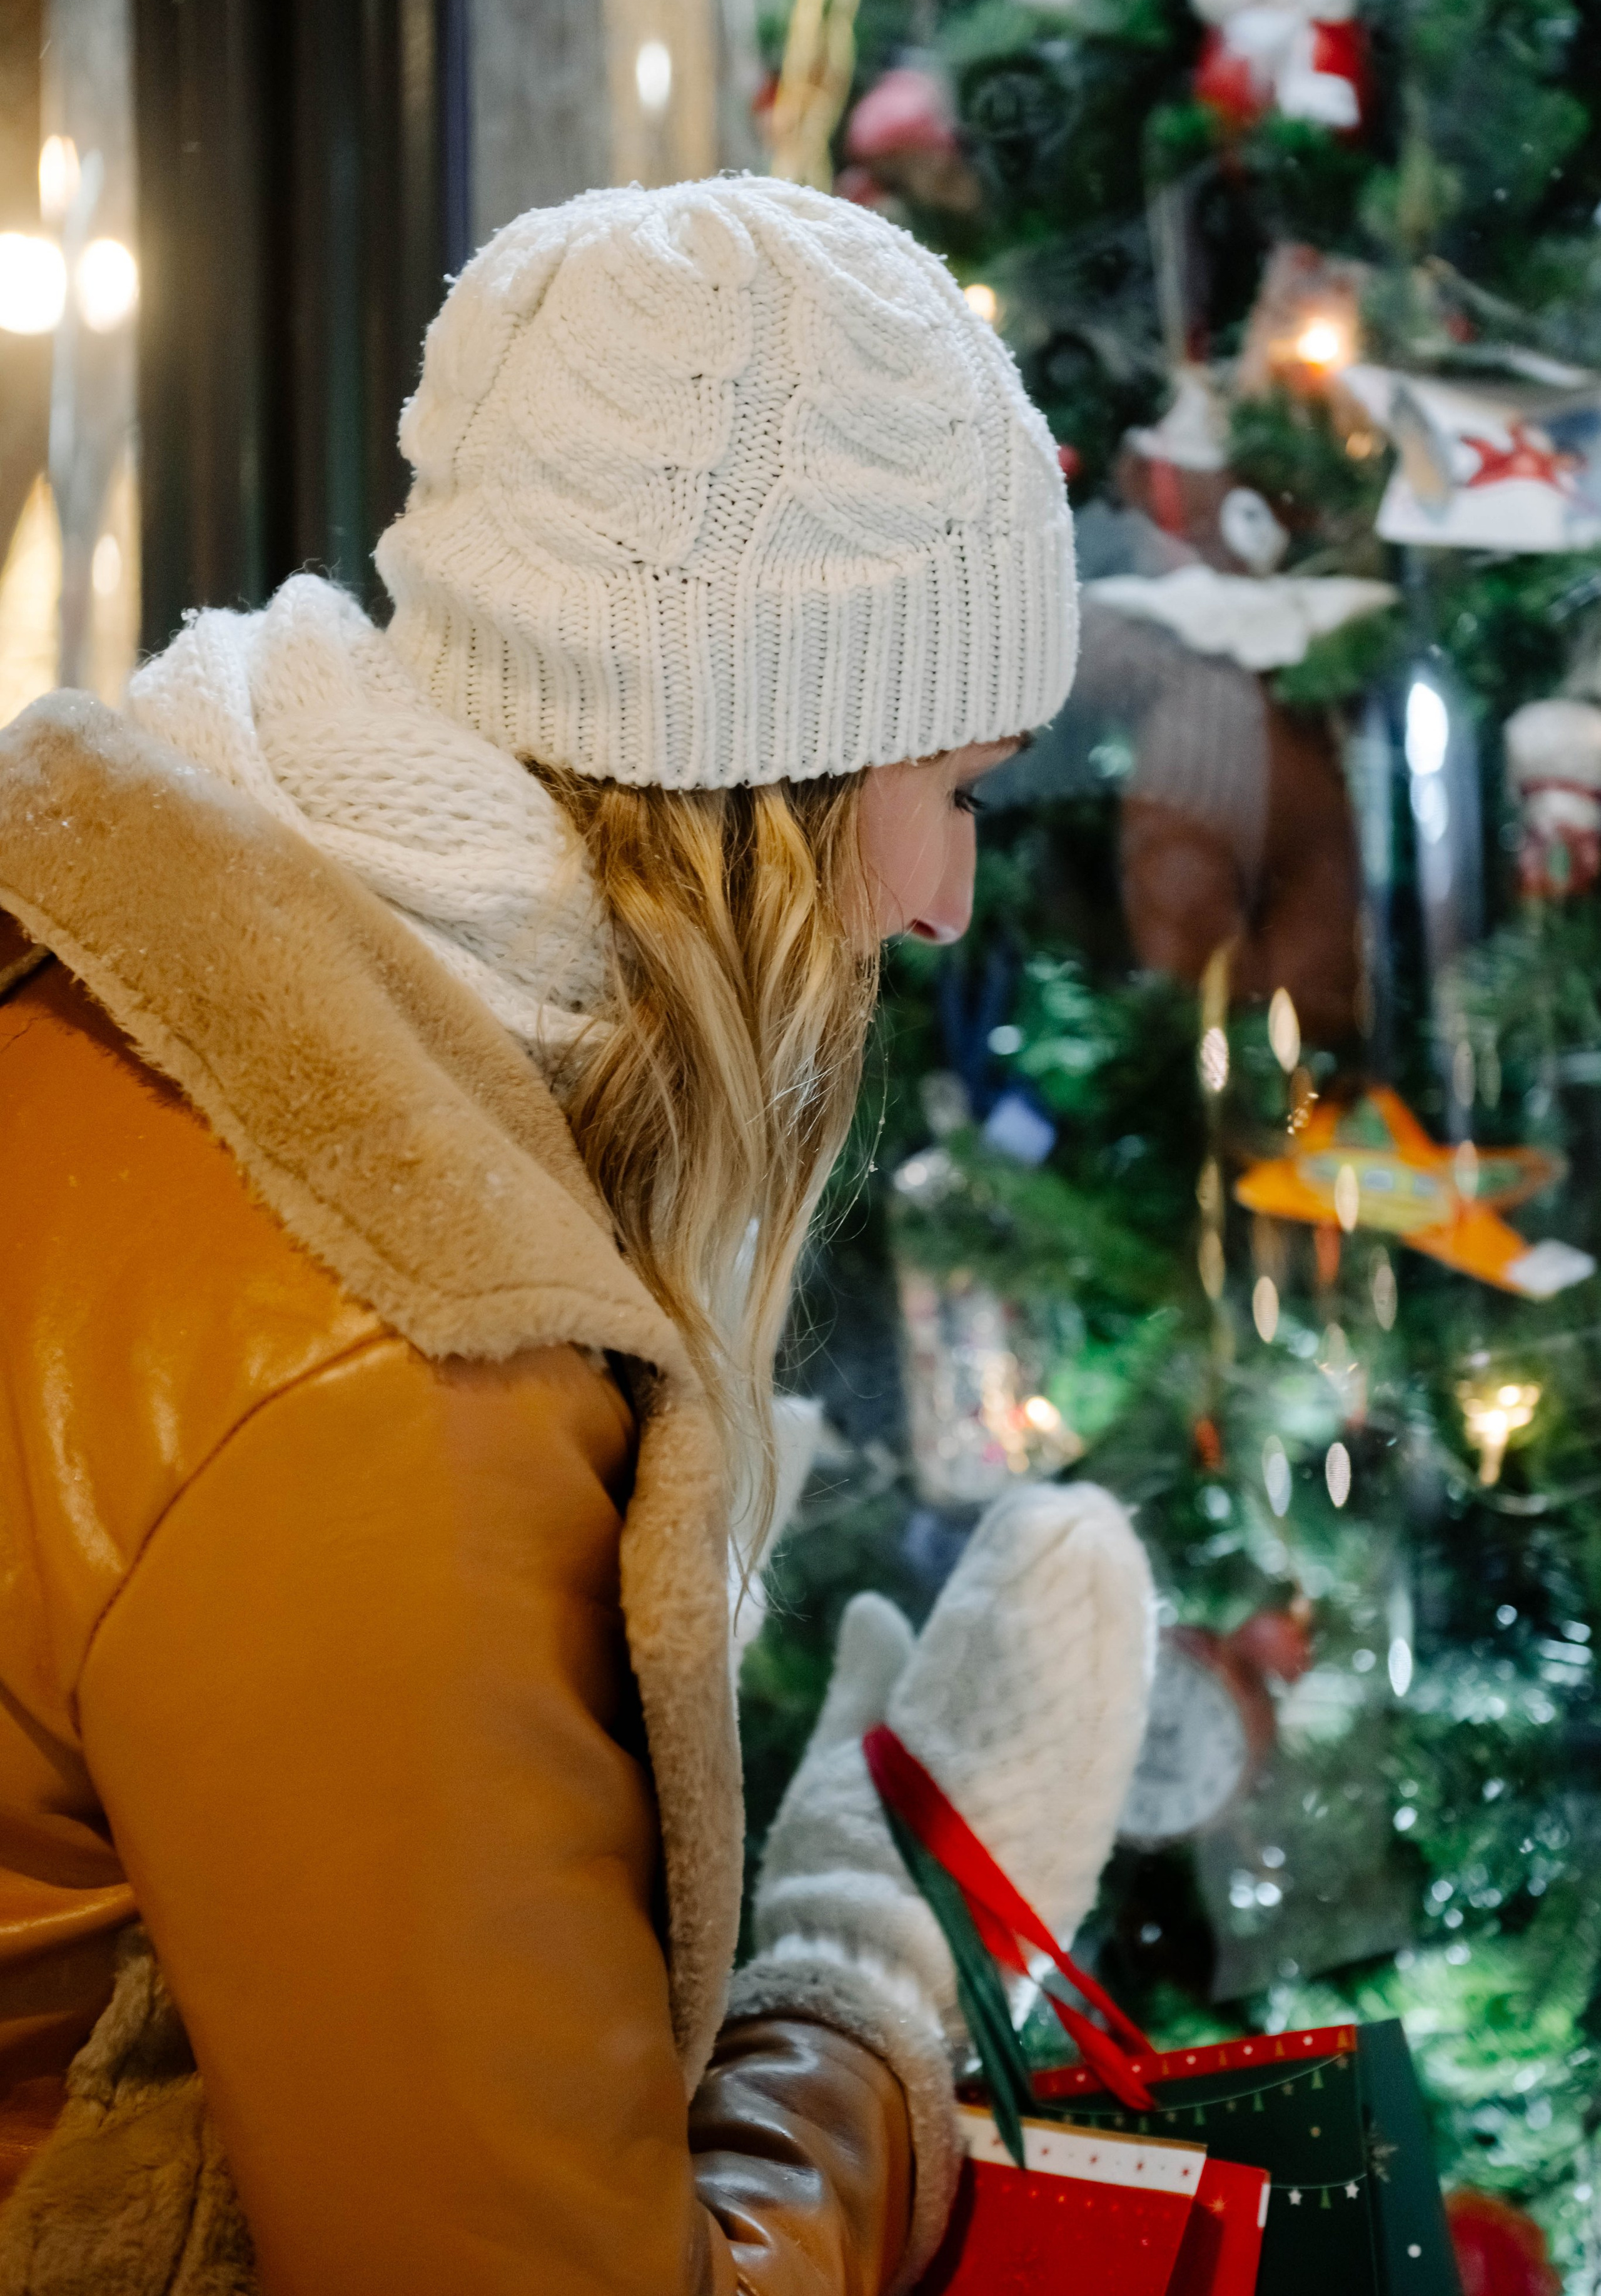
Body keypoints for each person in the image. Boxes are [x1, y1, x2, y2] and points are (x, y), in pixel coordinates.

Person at [0, 178, 1153, 2293]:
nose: (946, 904)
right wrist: (868, 1972)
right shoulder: (389, 1348)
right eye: (958, 786)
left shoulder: (148, 992)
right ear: (767, 781)